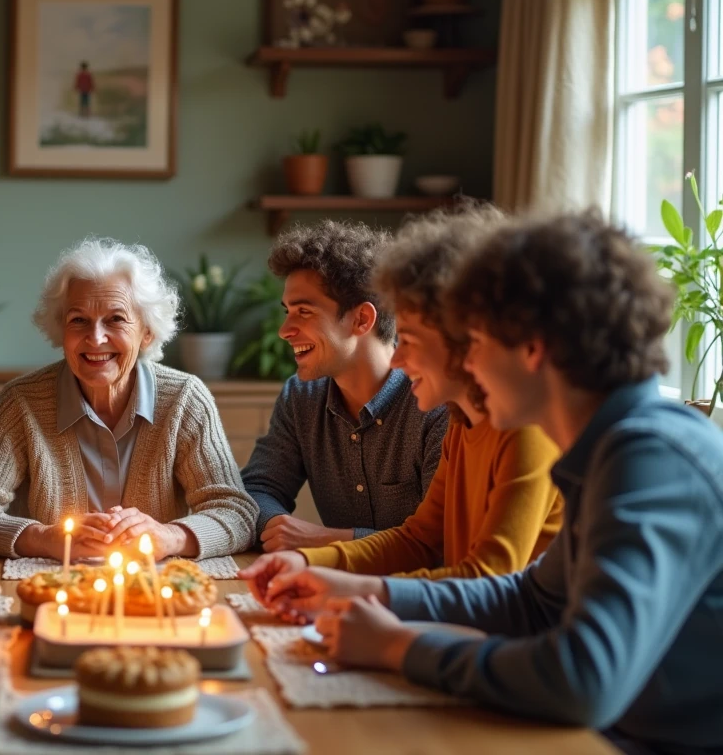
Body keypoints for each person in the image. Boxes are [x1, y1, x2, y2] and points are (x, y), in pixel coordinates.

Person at [248, 210, 723, 754]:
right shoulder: (610, 448)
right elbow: (532, 599)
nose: (468, 364)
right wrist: (368, 589)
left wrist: (399, 647)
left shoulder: (649, 457)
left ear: (531, 347)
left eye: (474, 341)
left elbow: (584, 677)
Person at [240, 206, 562, 586]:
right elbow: (419, 541)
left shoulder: (519, 427)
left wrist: (344, 578)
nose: (398, 357)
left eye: (409, 339)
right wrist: (308, 563)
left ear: (465, 337)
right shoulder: (464, 423)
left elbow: (484, 581)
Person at [0, 237, 258, 560]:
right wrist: (45, 539)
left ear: (146, 332)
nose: (96, 338)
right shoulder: (22, 402)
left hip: (152, 595)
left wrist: (170, 536)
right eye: (79, 320)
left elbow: (237, 513)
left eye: (116, 319)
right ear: (61, 329)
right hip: (51, 593)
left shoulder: (185, 400)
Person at [242, 222, 448, 552]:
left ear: (362, 320)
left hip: (415, 597)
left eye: (304, 312)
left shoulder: (435, 403)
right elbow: (258, 489)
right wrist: (276, 525)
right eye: (287, 312)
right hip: (332, 588)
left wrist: (329, 541)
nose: (284, 330)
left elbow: (441, 541)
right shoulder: (301, 397)